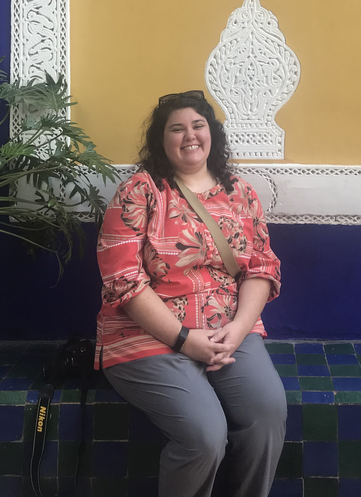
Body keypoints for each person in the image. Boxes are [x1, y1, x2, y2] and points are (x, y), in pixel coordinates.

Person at [96, 90, 287, 497]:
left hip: (227, 331)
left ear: (212, 133)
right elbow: (123, 279)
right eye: (176, 128)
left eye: (198, 125)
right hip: (147, 336)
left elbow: (261, 267)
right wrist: (183, 339)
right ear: (160, 140)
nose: (189, 136)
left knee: (267, 414)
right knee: (203, 435)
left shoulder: (242, 193)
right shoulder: (139, 192)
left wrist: (238, 329)